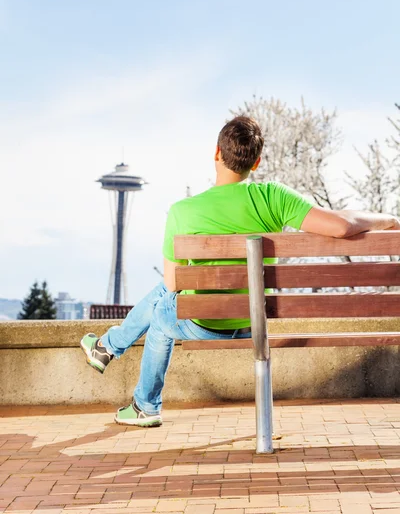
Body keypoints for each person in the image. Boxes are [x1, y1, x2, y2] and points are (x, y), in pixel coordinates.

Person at [81, 116, 400, 427]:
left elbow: (173, 282)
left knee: (163, 307)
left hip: (206, 323)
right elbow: (341, 225)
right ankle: (108, 347)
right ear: (256, 162)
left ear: (217, 153)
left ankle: (140, 398)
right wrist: (385, 219)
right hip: (256, 320)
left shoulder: (184, 211)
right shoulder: (274, 197)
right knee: (165, 299)